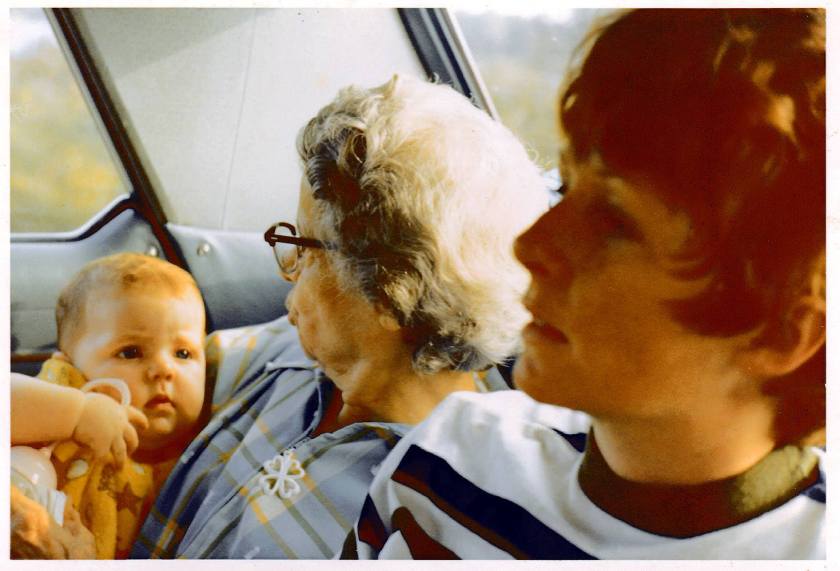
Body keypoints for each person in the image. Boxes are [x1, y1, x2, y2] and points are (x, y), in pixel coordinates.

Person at [346, 9, 826, 560]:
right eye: (567, 188)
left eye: (616, 223)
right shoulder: (444, 465)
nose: (531, 245)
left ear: (781, 335)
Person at [123, 75, 548, 558]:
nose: (288, 272)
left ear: (390, 292)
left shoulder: (440, 513)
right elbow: (104, 385)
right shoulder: (285, 353)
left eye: (303, 247)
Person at [11, 252, 207, 558]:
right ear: (69, 360)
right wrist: (76, 413)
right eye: (131, 352)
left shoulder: (196, 463)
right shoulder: (66, 390)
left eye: (183, 354)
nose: (163, 370)